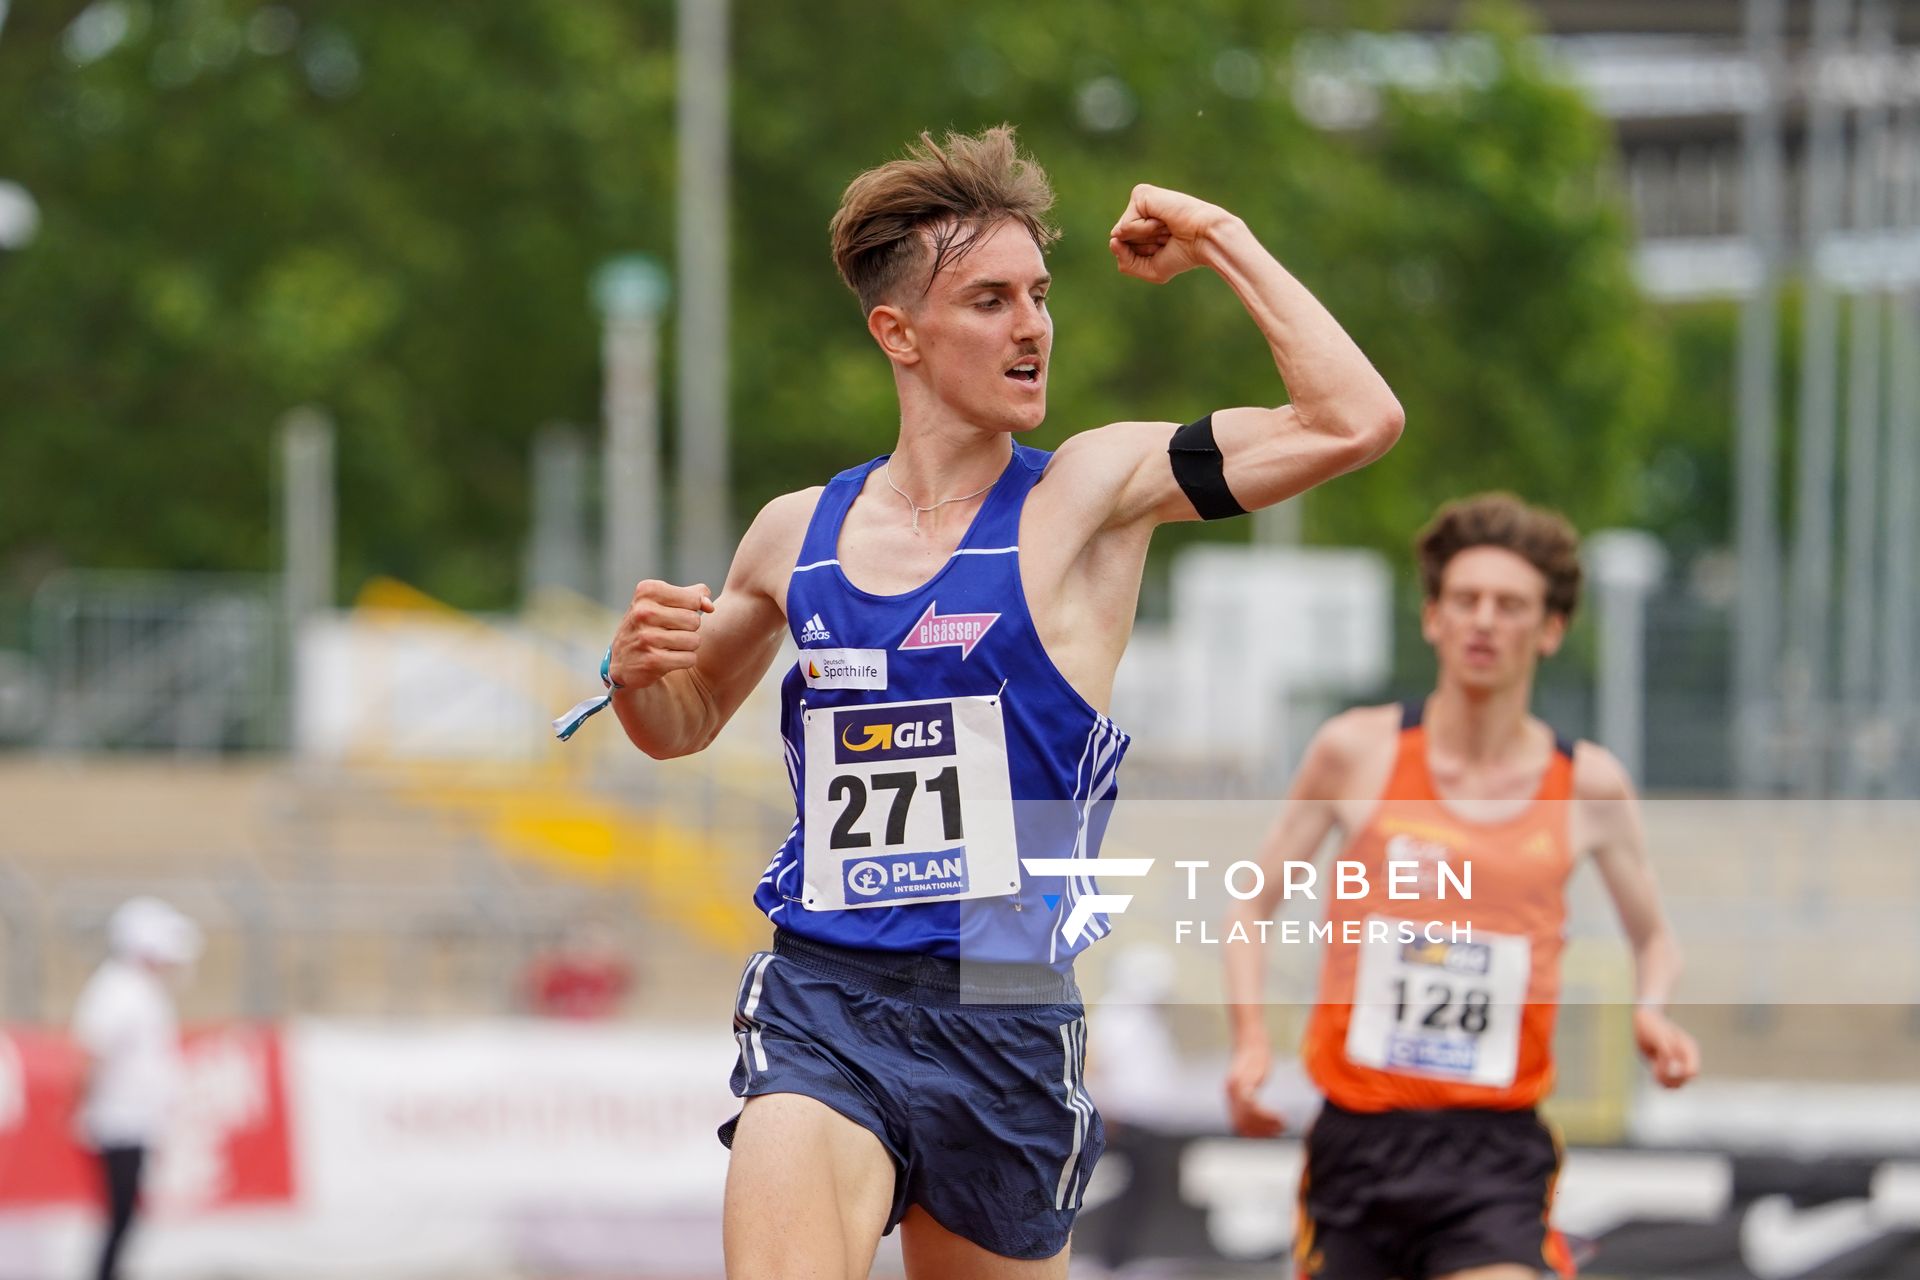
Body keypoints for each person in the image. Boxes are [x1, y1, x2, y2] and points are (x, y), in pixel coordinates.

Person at [566, 124, 1403, 1277]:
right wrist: (633, 676)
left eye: (1041, 295)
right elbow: (682, 723)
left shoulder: (1089, 495)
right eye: (991, 299)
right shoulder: (796, 533)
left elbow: (1355, 420)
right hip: (828, 995)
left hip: (1006, 1010)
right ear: (898, 332)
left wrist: (1220, 237)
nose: (1033, 326)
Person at [1221, 493, 1701, 1280]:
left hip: (1494, 1148)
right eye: (1466, 600)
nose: (1484, 620)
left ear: (1549, 631)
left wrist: (1652, 1012)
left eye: (1510, 605)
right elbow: (1251, 902)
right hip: (1357, 1145)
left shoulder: (1587, 784)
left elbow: (1654, 938)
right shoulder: (1356, 752)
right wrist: (1248, 1043)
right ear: (1433, 619)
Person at [70, 897, 202, 1280]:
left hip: (137, 1118)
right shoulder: (117, 990)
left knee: (128, 1210)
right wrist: (81, 1106)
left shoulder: (141, 990)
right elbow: (90, 1053)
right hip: (117, 1118)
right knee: (121, 1209)